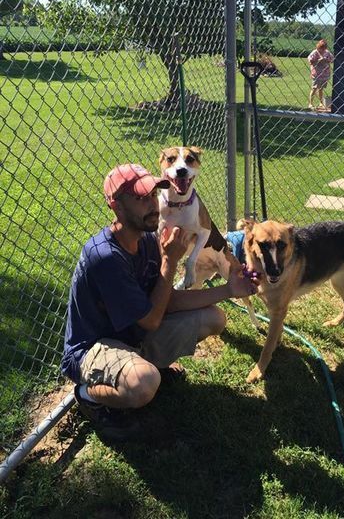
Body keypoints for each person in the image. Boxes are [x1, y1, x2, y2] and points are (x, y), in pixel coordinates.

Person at [61, 163, 258, 440]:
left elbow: (170, 300)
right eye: (141, 199)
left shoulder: (147, 240)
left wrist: (229, 290)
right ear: (116, 206)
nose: (153, 205)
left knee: (214, 318)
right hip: (94, 346)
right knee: (143, 384)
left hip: (132, 335)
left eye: (153, 195)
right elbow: (153, 319)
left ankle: (148, 364)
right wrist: (170, 262)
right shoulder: (105, 256)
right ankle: (87, 396)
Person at [308, 39, 334, 110]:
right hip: (316, 74)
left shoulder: (327, 52)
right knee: (314, 88)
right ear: (318, 47)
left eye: (324, 48)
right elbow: (310, 61)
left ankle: (321, 103)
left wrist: (325, 60)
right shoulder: (315, 52)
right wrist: (318, 60)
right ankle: (310, 103)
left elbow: (332, 59)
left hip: (324, 74)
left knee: (321, 89)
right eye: (321, 48)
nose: (322, 50)